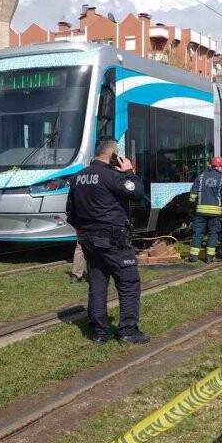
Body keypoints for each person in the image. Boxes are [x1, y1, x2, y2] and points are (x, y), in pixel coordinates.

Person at [66, 139, 150, 345]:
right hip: (113, 239)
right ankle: (128, 330)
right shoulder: (111, 176)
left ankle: (99, 333)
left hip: (88, 239)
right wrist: (129, 171)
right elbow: (137, 192)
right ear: (113, 156)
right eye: (118, 154)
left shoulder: (77, 178)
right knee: (128, 282)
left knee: (97, 283)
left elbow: (70, 211)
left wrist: (83, 230)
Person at [188, 155, 222, 262]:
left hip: (200, 212)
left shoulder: (201, 177)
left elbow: (192, 196)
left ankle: (193, 256)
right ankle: (209, 257)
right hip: (216, 214)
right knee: (213, 234)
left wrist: (193, 207)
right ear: (219, 167)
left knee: (198, 233)